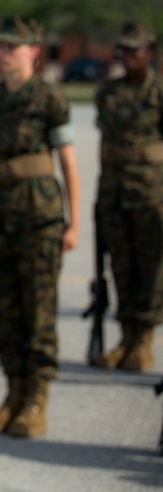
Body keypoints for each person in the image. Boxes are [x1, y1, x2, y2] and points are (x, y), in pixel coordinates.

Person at [0, 17, 80, 439]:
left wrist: (73, 224)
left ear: (34, 51)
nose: (4, 55)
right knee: (6, 311)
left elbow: (68, 161)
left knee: (37, 311)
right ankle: (13, 394)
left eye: (13, 48)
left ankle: (36, 400)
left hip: (38, 217)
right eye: (0, 47)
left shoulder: (49, 98)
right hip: (0, 217)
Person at [93, 22, 162, 372]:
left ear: (149, 52)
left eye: (134, 51)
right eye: (123, 50)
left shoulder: (159, 91)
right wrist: (101, 185)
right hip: (115, 191)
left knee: (151, 268)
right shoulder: (109, 92)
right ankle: (126, 336)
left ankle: (144, 340)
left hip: (152, 193)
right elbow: (104, 143)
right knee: (120, 265)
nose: (128, 57)